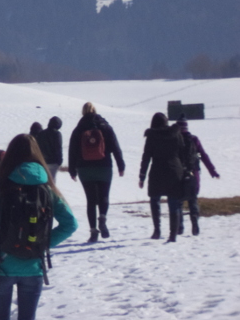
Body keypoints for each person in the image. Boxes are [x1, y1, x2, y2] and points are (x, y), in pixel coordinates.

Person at [0, 134, 77, 320]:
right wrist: (41, 243)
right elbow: (70, 224)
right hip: (33, 266)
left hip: (0, 265)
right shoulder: (47, 187)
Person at [68, 102, 125, 243]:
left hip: (85, 168)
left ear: (83, 112)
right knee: (104, 195)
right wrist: (120, 164)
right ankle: (103, 218)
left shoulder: (78, 129)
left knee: (91, 200)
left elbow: (72, 150)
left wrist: (72, 169)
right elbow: (115, 146)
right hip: (104, 166)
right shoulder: (105, 127)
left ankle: (93, 231)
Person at [138, 112, 186, 242]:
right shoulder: (176, 133)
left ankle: (157, 231)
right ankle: (173, 234)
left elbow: (146, 157)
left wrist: (142, 176)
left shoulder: (151, 136)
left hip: (157, 171)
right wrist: (184, 170)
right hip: (175, 171)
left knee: (154, 200)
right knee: (174, 203)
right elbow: (183, 153)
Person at [176, 114, 219, 236]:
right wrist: (213, 171)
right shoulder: (194, 139)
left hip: (178, 174)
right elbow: (204, 156)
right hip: (194, 174)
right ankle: (195, 226)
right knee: (193, 199)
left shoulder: (174, 139)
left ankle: (179, 227)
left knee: (178, 200)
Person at [36, 116, 63, 181]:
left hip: (43, 161)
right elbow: (58, 148)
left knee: (44, 181)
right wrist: (60, 160)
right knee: (52, 182)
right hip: (53, 162)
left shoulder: (41, 133)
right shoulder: (57, 134)